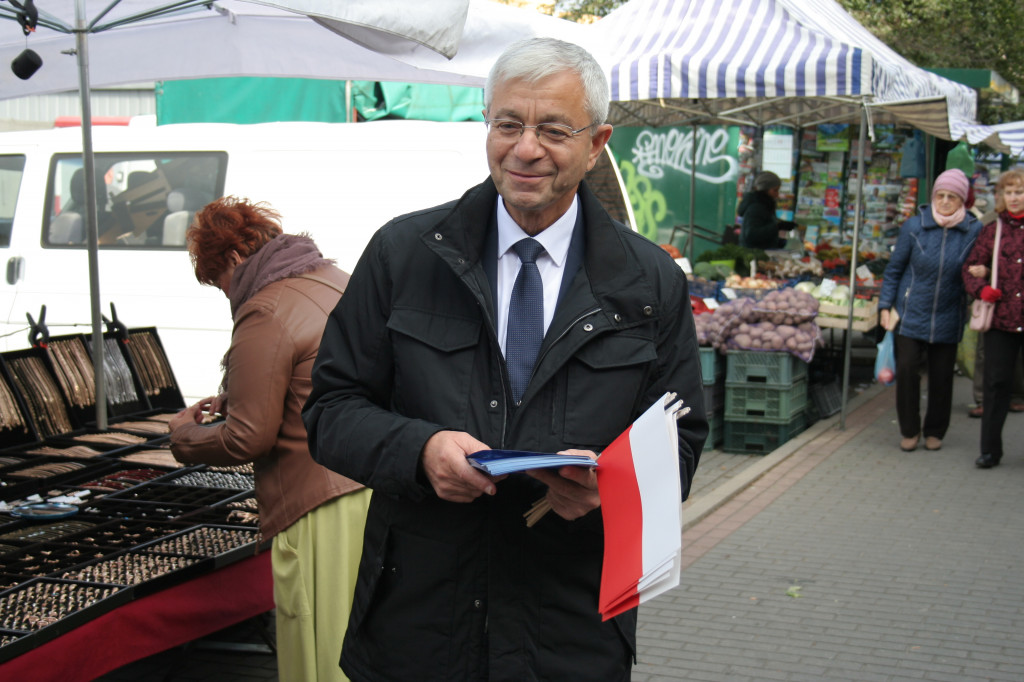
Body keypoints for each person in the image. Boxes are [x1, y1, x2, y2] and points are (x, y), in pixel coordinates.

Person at [302, 37, 708, 681]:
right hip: (420, 626)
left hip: (569, 632)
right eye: (508, 124)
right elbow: (330, 411)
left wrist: (613, 493)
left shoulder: (648, 283)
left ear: (597, 142)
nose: (525, 148)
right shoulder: (404, 255)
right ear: (485, 124)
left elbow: (679, 438)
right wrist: (420, 450)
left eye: (553, 129)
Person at [168, 196, 370, 682]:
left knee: (321, 652)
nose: (225, 293)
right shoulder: (334, 280)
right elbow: (312, 378)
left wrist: (183, 437)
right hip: (369, 486)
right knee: (362, 647)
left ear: (234, 260)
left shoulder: (265, 309)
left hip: (316, 505)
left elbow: (247, 439)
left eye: (218, 281)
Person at [878, 169, 982, 452]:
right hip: (910, 311)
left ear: (962, 200)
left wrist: (981, 272)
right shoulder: (914, 226)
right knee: (909, 370)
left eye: (952, 197)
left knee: (941, 376)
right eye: (941, 195)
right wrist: (885, 305)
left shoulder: (974, 230)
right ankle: (910, 430)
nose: (945, 201)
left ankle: (935, 430)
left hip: (949, 313)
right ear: (933, 196)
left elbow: (978, 270)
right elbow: (895, 269)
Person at [963, 168, 1024, 469]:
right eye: (1009, 192)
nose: (1014, 198)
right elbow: (971, 266)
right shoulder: (992, 229)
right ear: (1001, 196)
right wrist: (982, 288)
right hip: (1000, 320)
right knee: (996, 384)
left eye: (1019, 192)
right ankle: (990, 450)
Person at [737, 170, 793, 249]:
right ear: (765, 189)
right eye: (775, 190)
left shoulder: (766, 205)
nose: (777, 194)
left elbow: (764, 225)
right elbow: (751, 234)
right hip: (754, 254)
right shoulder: (757, 207)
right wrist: (777, 227)